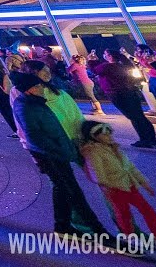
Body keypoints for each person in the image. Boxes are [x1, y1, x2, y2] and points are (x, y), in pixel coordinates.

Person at [10, 71, 106, 235]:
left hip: (54, 153)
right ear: (29, 89)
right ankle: (95, 229)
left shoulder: (34, 102)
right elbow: (34, 137)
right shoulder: (27, 107)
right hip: (50, 156)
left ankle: (62, 226)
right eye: (38, 86)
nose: (42, 88)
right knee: (71, 191)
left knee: (64, 189)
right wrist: (60, 151)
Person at [79, 120, 156, 248]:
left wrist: (144, 183)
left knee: (148, 211)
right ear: (94, 137)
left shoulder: (114, 147)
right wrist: (108, 186)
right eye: (105, 134)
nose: (109, 136)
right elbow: (97, 174)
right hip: (115, 189)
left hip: (130, 186)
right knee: (124, 215)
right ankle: (129, 238)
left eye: (110, 133)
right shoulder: (93, 152)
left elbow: (130, 167)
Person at [91, 49, 156, 149]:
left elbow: (95, 70)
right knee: (139, 116)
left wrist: (92, 60)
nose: (104, 56)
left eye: (105, 54)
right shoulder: (124, 65)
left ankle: (146, 140)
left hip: (118, 94)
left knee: (134, 117)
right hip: (131, 92)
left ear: (110, 56)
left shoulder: (108, 67)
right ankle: (150, 139)